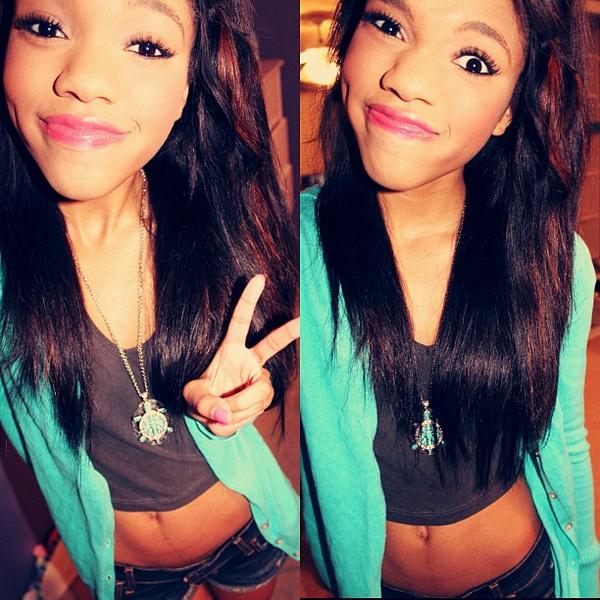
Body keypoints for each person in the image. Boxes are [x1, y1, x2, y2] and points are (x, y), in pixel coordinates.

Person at [0, 0, 299, 599]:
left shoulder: (221, 227)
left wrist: (248, 396)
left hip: (247, 530)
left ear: (189, 85)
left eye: (146, 46)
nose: (83, 80)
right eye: (46, 26)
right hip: (131, 573)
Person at [300, 0, 599, 597]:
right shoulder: (292, 248)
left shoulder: (553, 258)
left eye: (474, 60)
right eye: (389, 25)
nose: (407, 79)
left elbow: (566, 435)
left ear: (508, 110)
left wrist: (585, 575)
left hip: (524, 578)